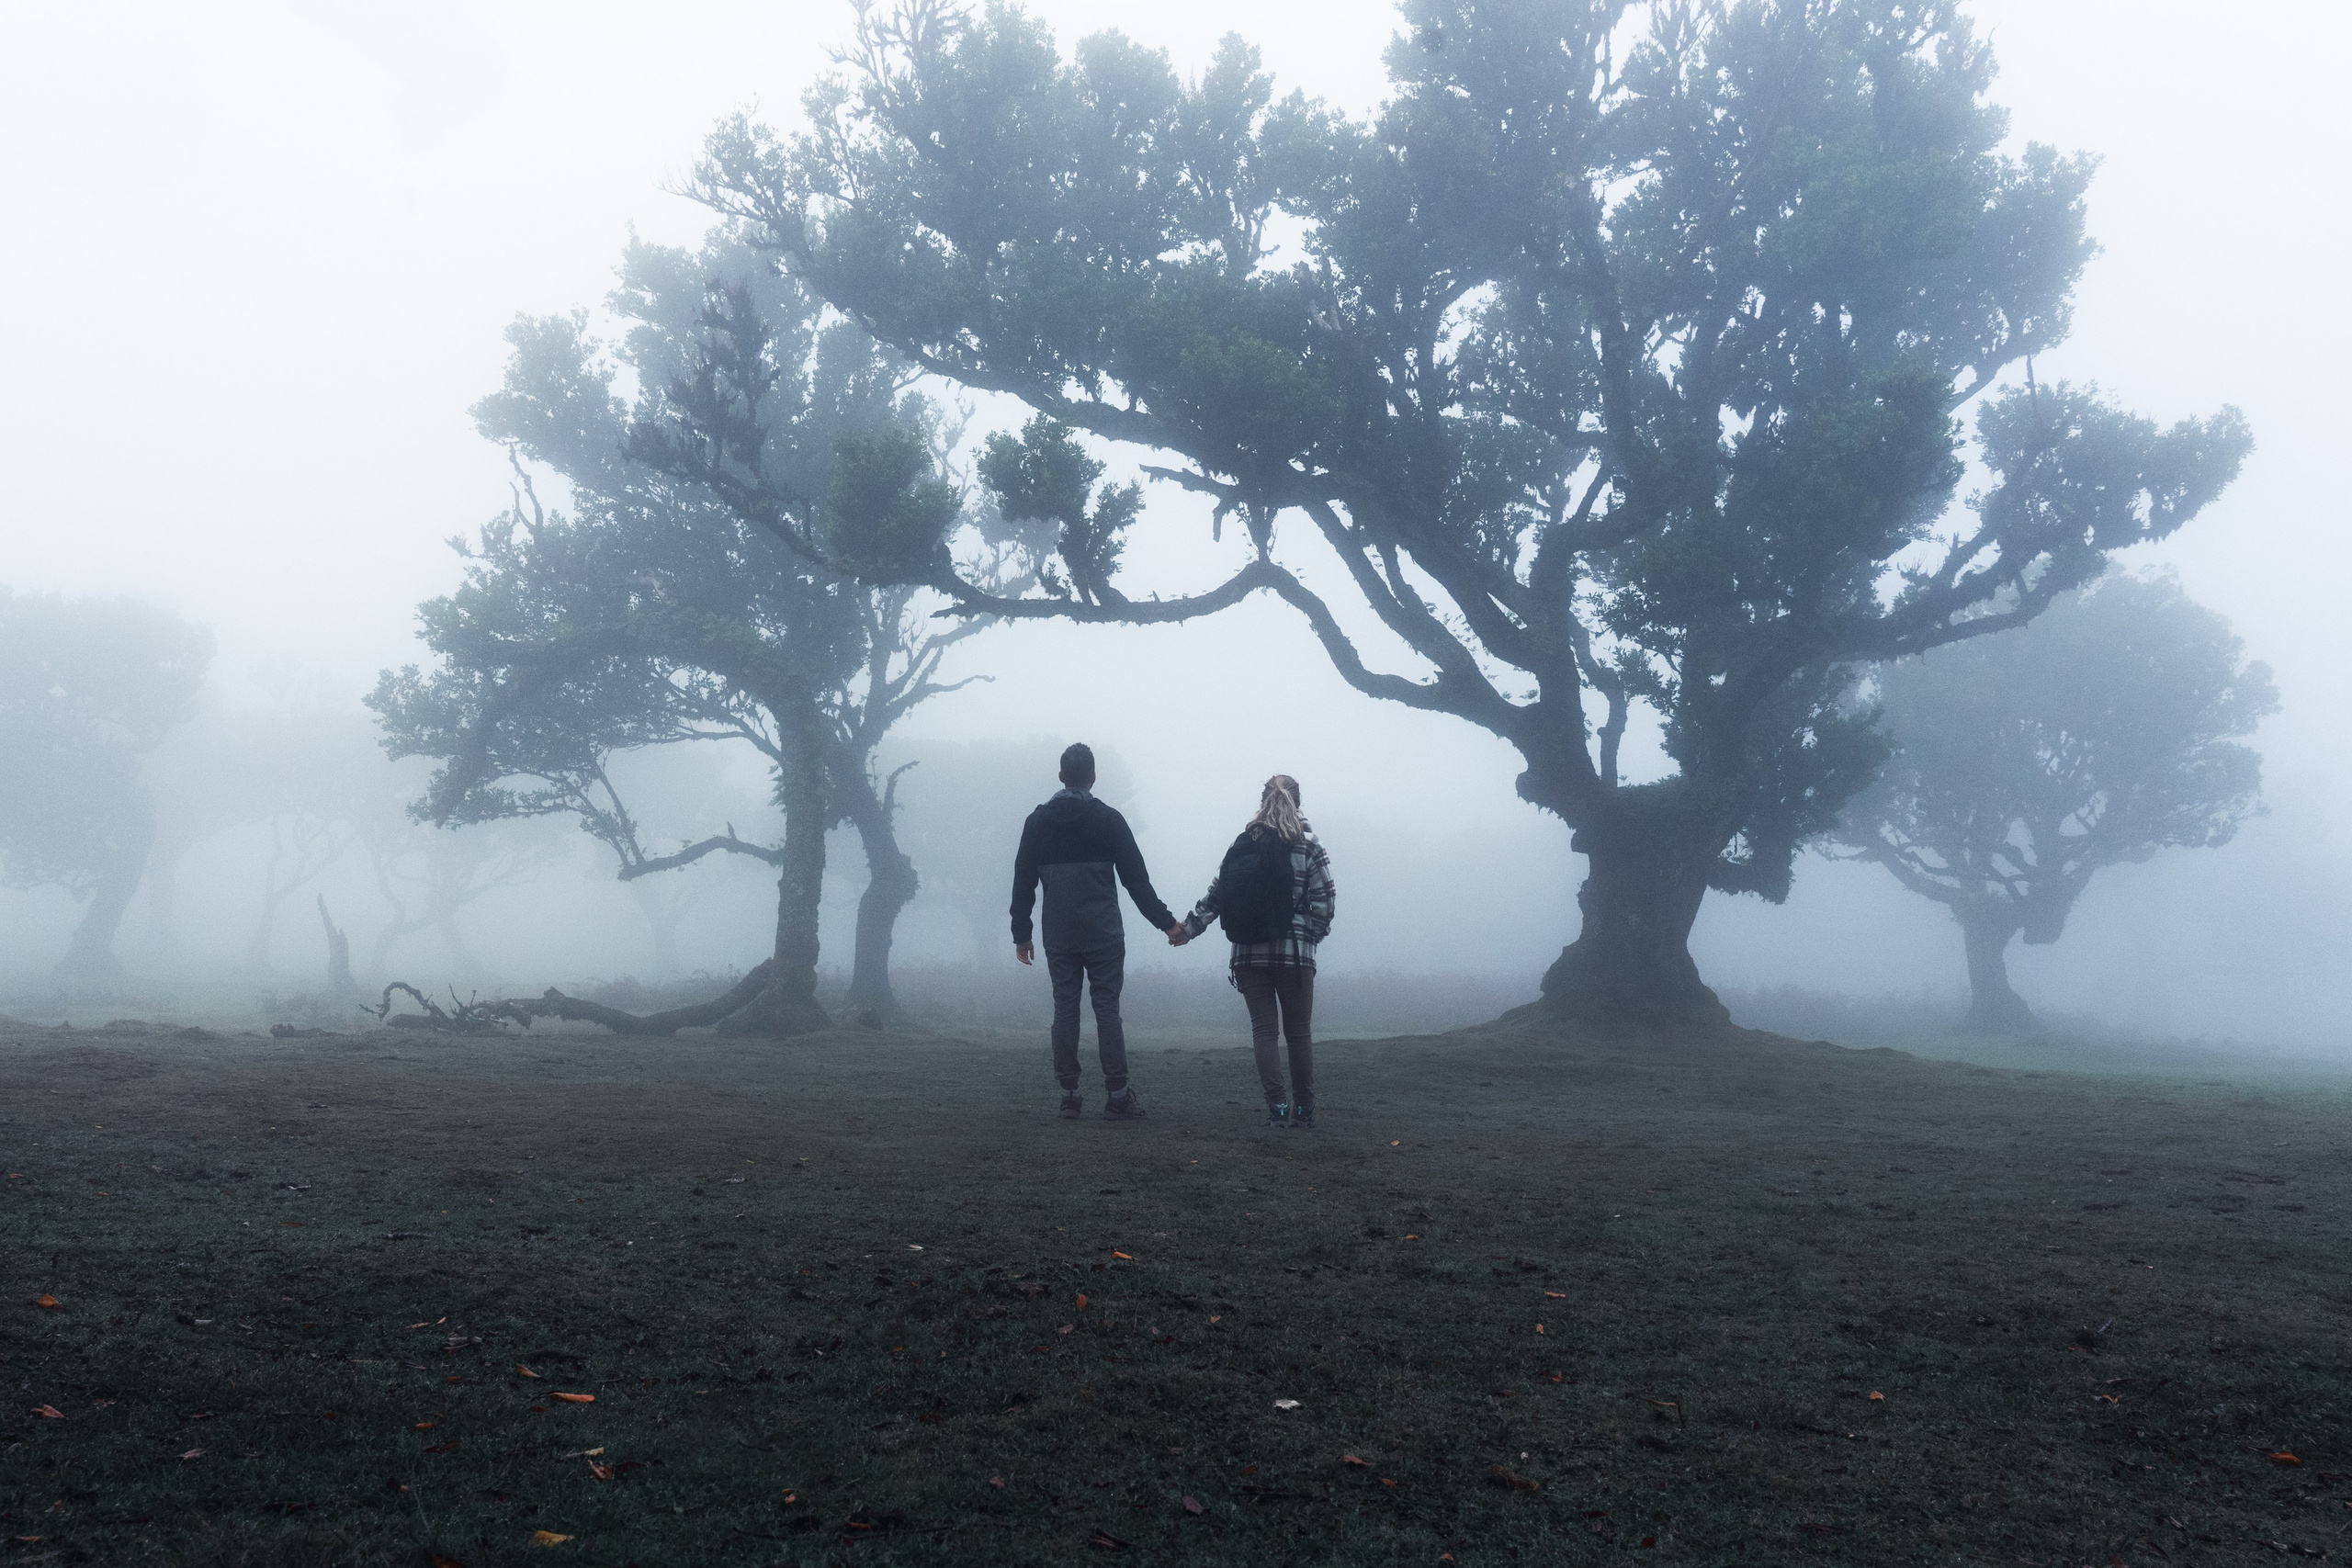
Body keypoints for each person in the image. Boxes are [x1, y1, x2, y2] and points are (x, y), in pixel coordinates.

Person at [1010, 742, 1185, 1120]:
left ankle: (1070, 1095)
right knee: (1107, 1010)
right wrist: (1167, 923)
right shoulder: (1109, 820)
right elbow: (1137, 883)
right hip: (1104, 934)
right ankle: (1118, 1096)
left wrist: (1021, 933)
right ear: (1092, 777)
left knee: (1065, 1009)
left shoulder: (1037, 823)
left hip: (1058, 934)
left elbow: (1023, 882)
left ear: (1060, 776)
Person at [1170, 774, 1335, 1127]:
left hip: (1247, 953)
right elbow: (1324, 902)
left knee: (1264, 1032)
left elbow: (1217, 895)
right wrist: (1309, 939)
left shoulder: (1244, 842)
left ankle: (1276, 1108)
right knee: (1298, 1032)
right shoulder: (1309, 844)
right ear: (1299, 802)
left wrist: (1188, 930)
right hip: (1295, 956)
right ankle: (1304, 1111)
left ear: (1262, 803)